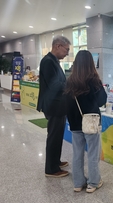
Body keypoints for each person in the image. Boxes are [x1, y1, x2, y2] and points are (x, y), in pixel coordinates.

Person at [65, 50, 107, 193]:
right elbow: (102, 101)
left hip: (75, 123)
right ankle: (93, 183)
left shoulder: (70, 81)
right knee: (93, 154)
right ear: (91, 63)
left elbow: (67, 103)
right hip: (91, 122)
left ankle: (78, 183)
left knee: (77, 153)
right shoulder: (94, 80)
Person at [37, 35, 71, 178]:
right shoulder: (48, 61)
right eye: (67, 49)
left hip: (58, 105)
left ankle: (55, 161)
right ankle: (51, 169)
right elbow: (55, 85)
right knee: (53, 137)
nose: (68, 53)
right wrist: (71, 84)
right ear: (58, 46)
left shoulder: (54, 61)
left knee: (57, 136)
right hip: (53, 106)